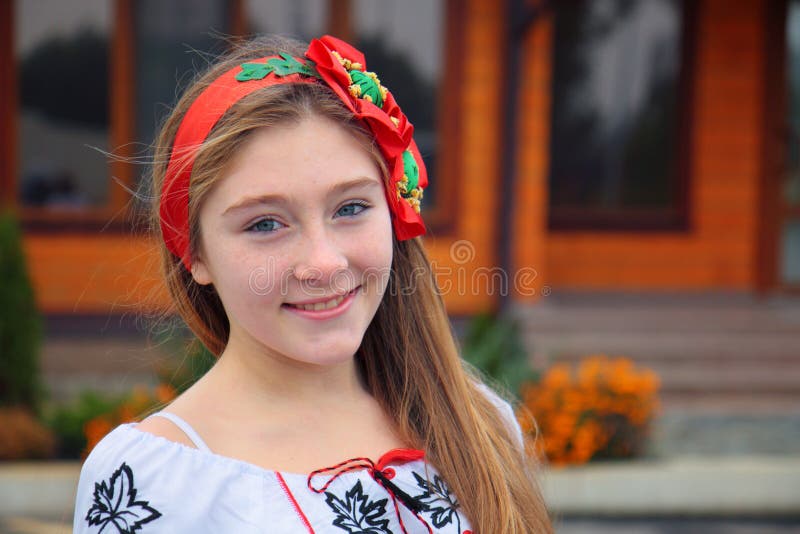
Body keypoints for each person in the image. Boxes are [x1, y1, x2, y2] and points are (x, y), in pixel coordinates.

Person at [73, 34, 552, 533]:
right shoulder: (151, 481)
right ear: (195, 253)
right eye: (265, 224)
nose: (323, 263)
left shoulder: (478, 426)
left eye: (350, 208)